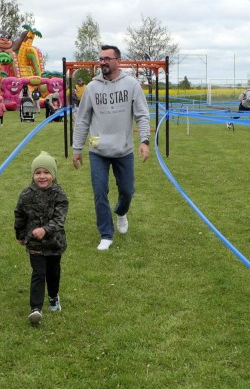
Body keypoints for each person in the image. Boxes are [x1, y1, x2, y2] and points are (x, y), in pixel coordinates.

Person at [72, 45, 151, 251]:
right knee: (100, 192)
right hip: (98, 150)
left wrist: (144, 141)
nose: (103, 62)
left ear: (118, 61)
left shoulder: (131, 85)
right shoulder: (92, 87)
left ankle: (121, 212)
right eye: (101, 59)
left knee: (127, 191)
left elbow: (142, 115)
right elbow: (82, 119)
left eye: (107, 58)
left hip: (123, 150)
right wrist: (77, 149)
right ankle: (106, 234)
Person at [14, 151, 69, 325]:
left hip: (54, 243)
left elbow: (59, 220)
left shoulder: (60, 195)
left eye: (46, 172)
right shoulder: (26, 194)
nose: (42, 176)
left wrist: (45, 230)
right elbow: (19, 215)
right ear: (33, 175)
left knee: (53, 273)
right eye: (38, 172)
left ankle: (53, 297)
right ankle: (35, 309)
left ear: (53, 174)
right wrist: (20, 234)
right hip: (35, 244)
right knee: (38, 273)